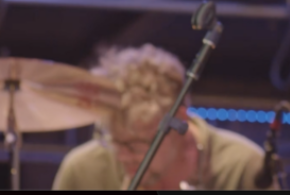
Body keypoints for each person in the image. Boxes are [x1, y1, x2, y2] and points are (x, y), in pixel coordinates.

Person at [52, 44, 276, 190]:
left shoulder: (243, 168)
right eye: (114, 141)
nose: (122, 157)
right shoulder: (83, 171)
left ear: (180, 120)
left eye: (136, 145)